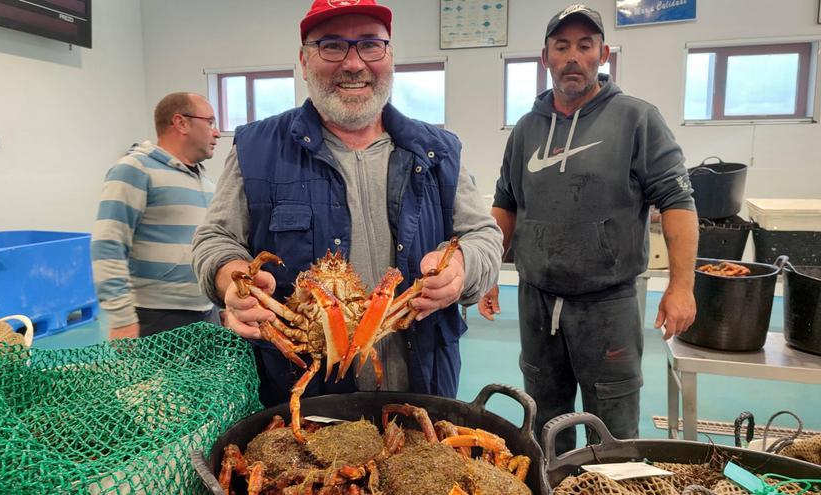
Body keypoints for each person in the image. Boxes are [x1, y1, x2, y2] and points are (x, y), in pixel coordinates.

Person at [192, 0, 502, 407]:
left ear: (389, 56)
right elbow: (215, 238)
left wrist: (461, 269)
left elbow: (483, 235)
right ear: (304, 61)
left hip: (423, 386)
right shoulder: (256, 148)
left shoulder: (438, 151)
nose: (354, 64)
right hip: (298, 397)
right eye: (333, 46)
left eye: (370, 45)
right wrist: (230, 276)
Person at [479, 4, 698, 453]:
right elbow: (506, 204)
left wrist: (682, 286)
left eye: (584, 46)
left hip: (609, 306)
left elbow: (677, 202)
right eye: (562, 47)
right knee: (544, 420)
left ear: (603, 54)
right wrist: (487, 273)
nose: (573, 57)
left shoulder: (637, 119)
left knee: (612, 428)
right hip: (537, 301)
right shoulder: (525, 130)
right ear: (546, 58)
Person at [92, 92, 222, 340]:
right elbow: (108, 246)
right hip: (156, 317)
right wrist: (121, 319)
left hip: (206, 313)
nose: (216, 133)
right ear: (181, 123)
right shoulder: (134, 170)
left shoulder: (205, 181)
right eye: (210, 122)